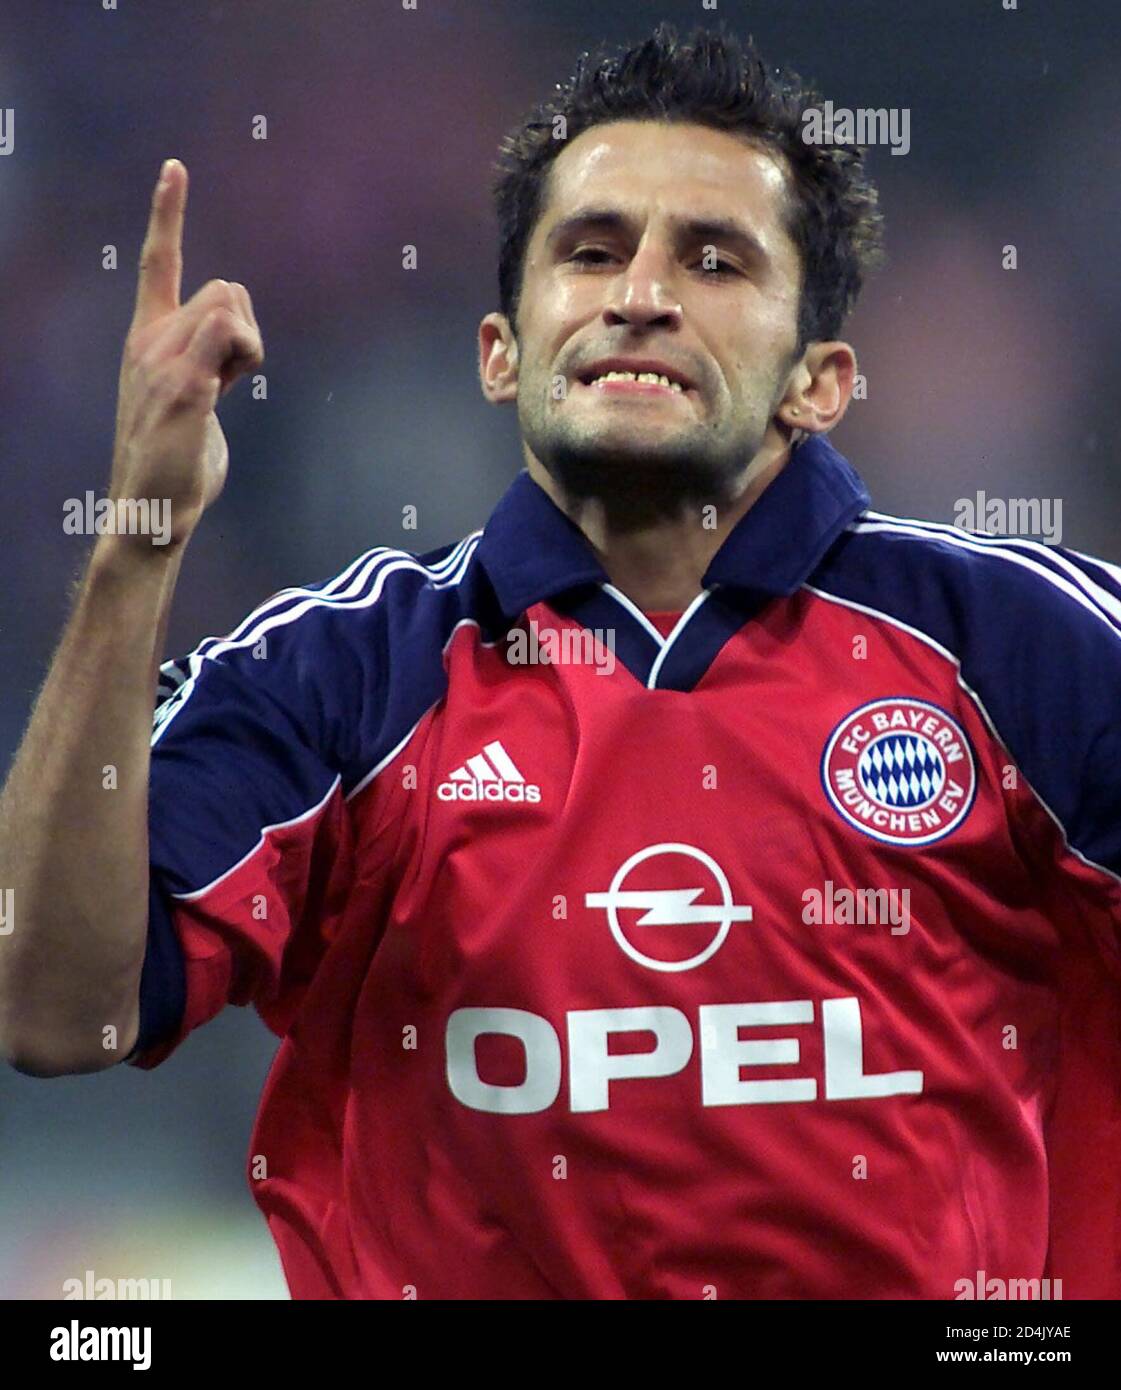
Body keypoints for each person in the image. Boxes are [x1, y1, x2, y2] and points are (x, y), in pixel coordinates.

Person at [2, 23, 1119, 1300]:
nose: (638, 291)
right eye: (590, 251)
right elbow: (50, 1010)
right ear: (501, 352)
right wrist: (137, 547)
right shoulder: (337, 681)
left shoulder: (1024, 646)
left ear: (819, 380)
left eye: (712, 259)